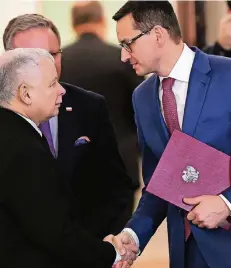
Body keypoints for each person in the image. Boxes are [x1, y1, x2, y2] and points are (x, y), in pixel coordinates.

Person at [111, 1, 231, 268]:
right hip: (183, 253)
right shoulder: (142, 98)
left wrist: (227, 203)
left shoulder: (228, 75)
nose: (124, 56)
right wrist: (133, 235)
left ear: (157, 35)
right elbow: (159, 183)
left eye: (127, 44)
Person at [0, 47, 138, 268]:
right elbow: (54, 233)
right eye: (52, 84)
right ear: (25, 94)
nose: (62, 90)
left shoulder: (14, 135)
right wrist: (111, 253)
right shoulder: (23, 149)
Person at [61, 1, 144, 216]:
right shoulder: (123, 58)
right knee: (119, 239)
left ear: (73, 24)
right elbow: (142, 108)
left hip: (73, 163)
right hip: (120, 160)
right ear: (102, 21)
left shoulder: (60, 61)